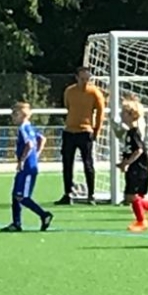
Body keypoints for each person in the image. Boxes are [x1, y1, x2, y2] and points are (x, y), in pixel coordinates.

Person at [0, 102, 54, 232]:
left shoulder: (23, 128)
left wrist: (22, 160)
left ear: (22, 115)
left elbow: (29, 144)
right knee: (15, 195)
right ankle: (16, 223)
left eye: (15, 114)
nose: (12, 117)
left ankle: (44, 215)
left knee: (22, 197)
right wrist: (37, 154)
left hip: (27, 168)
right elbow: (42, 139)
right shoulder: (30, 127)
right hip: (27, 166)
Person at [57, 66, 105, 205]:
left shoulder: (95, 93)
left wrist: (96, 130)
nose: (85, 81)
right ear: (77, 77)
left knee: (88, 164)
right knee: (67, 163)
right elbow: (68, 107)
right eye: (82, 78)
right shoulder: (69, 91)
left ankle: (91, 195)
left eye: (87, 79)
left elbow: (100, 114)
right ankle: (68, 194)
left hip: (85, 132)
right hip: (69, 132)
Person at [116, 97, 148, 232]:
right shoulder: (130, 132)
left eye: (123, 112)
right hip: (137, 169)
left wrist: (127, 163)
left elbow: (139, 150)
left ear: (132, 115)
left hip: (139, 169)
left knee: (131, 197)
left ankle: (143, 220)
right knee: (132, 197)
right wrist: (123, 162)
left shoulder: (134, 133)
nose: (121, 114)